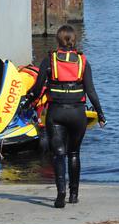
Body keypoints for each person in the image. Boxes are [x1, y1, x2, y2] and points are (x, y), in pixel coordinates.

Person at [28, 25, 106, 208]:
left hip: (56, 113)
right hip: (77, 114)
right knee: (74, 153)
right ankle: (74, 194)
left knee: (58, 154)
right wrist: (100, 114)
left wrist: (26, 101)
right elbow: (91, 92)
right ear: (74, 40)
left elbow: (38, 89)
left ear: (58, 40)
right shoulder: (83, 62)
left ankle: (60, 193)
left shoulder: (49, 60)